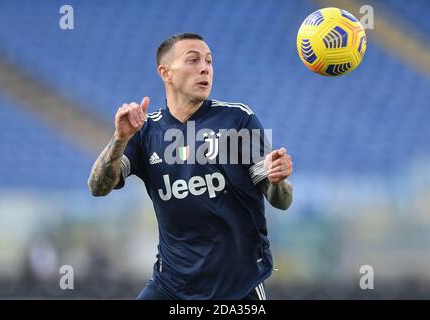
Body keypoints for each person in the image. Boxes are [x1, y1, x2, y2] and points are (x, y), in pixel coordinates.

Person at [87, 33, 293, 300]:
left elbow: (282, 201)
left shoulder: (237, 120)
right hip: (170, 285)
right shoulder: (145, 132)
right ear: (166, 73)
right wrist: (120, 139)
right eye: (193, 60)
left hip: (237, 287)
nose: (205, 67)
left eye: (209, 61)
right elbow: (97, 187)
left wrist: (278, 180)